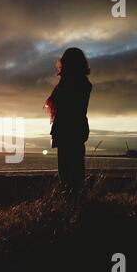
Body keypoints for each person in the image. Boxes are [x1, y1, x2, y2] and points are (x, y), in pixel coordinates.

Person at [45, 48, 92, 197]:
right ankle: (74, 202)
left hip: (69, 129)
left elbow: (65, 105)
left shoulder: (73, 83)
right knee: (71, 171)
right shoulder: (75, 82)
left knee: (70, 173)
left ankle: (74, 205)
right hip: (73, 129)